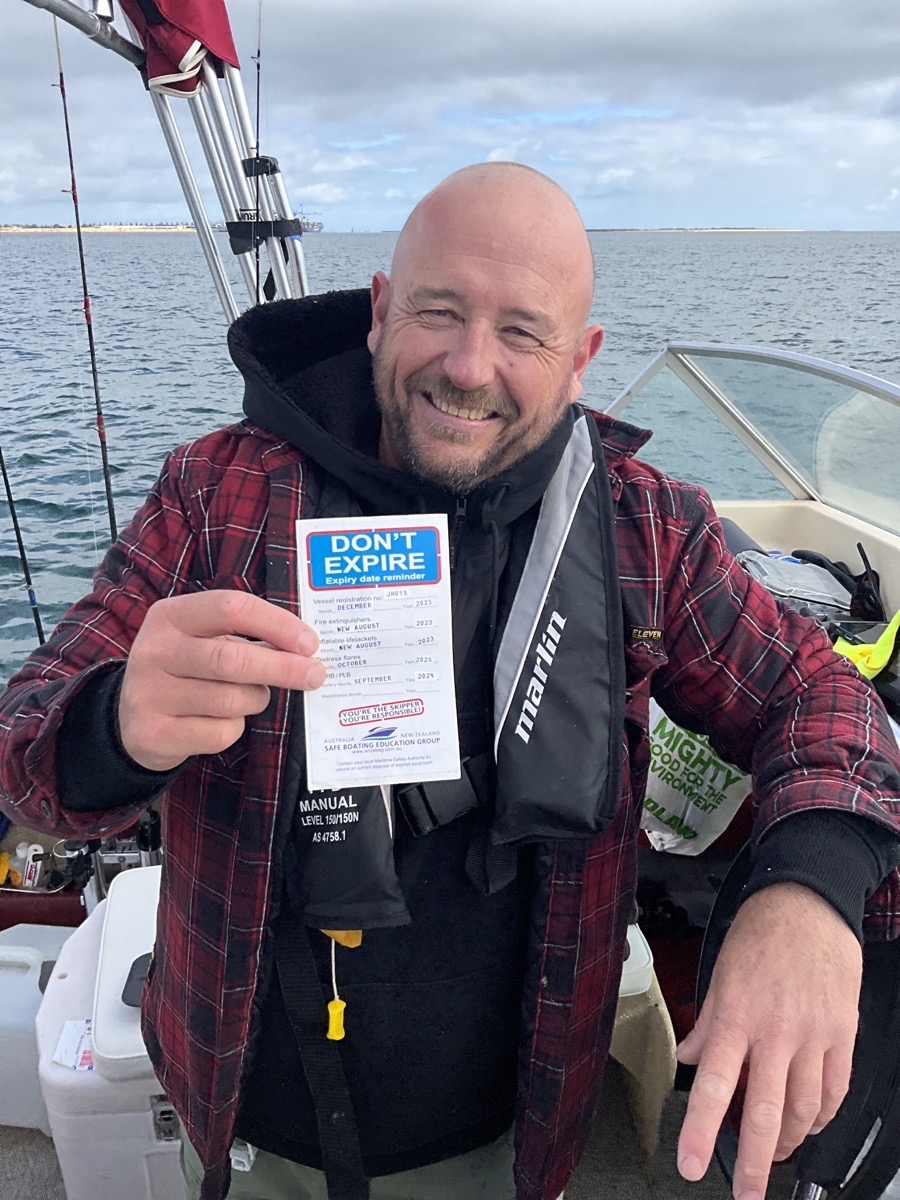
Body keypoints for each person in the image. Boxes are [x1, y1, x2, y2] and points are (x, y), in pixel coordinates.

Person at [1, 162, 899, 1200]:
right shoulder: (214, 496)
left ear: (580, 359)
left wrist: (807, 892)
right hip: (245, 1103)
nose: (471, 367)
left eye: (523, 332)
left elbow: (818, 695)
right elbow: (25, 754)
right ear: (381, 311)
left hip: (516, 1126)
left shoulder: (646, 526)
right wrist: (114, 724)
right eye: (440, 311)